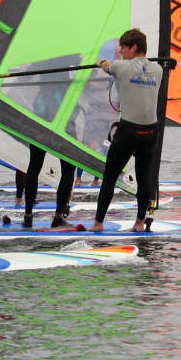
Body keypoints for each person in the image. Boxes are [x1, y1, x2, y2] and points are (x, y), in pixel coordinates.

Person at [90, 28, 162, 233]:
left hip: (129, 132)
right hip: (150, 133)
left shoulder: (122, 67)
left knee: (110, 177)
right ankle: (139, 223)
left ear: (134, 47)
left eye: (123, 47)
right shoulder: (158, 70)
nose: (121, 51)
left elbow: (105, 65)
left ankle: (98, 223)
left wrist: (100, 62)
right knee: (144, 177)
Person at [22, 144, 75, 228]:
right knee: (68, 171)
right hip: (65, 133)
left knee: (34, 165)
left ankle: (28, 216)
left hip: (41, 131)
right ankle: (58, 218)